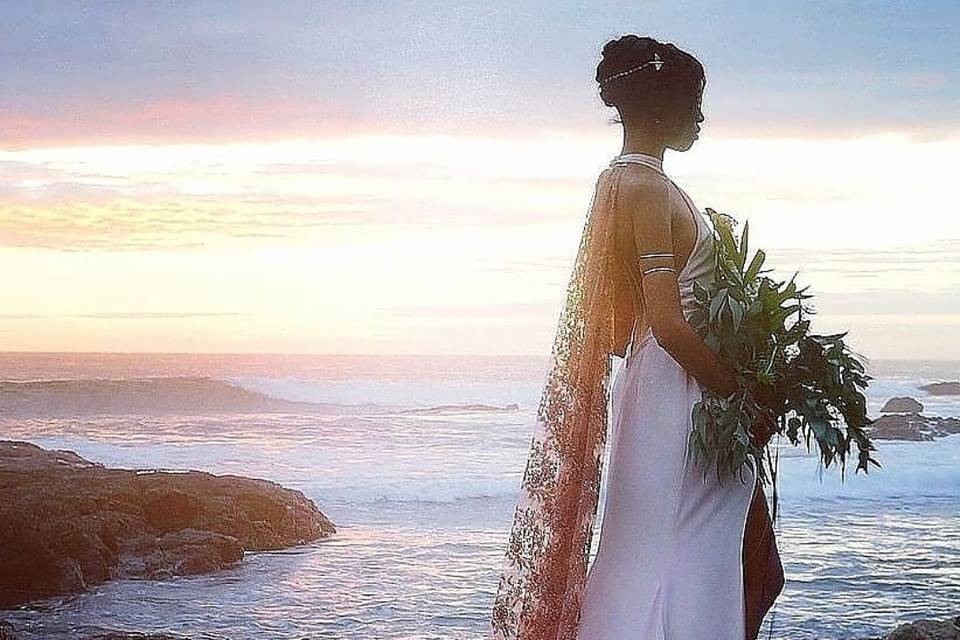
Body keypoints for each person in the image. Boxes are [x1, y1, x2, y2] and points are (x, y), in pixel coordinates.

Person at [489, 35, 781, 640]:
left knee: (655, 543)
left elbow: (624, 328)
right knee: (687, 542)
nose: (700, 118)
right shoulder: (643, 185)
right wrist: (739, 393)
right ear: (657, 108)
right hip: (683, 390)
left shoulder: (625, 183)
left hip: (661, 384)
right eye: (692, 103)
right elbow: (669, 323)